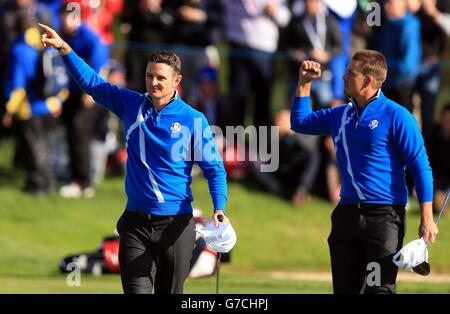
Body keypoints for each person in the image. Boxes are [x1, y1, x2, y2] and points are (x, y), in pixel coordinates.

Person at [38, 23, 228, 294]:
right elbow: (94, 84)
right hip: (135, 225)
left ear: (177, 81)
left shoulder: (193, 120)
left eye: (161, 77)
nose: (153, 82)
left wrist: (219, 208)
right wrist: (63, 48)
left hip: (176, 227)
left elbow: (215, 169)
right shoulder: (131, 104)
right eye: (149, 76)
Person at [290, 50, 438, 294]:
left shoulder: (398, 116)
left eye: (351, 73)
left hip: (384, 218)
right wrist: (304, 83)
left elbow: (420, 165)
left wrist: (427, 217)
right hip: (346, 216)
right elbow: (300, 122)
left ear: (368, 80)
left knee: (378, 290)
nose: (344, 77)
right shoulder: (340, 114)